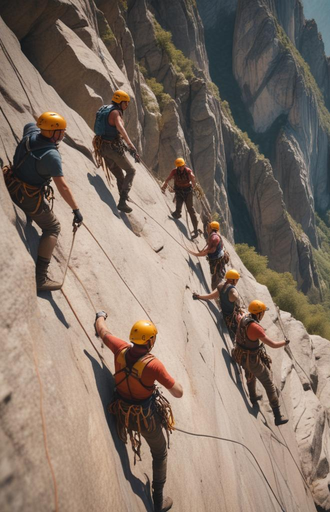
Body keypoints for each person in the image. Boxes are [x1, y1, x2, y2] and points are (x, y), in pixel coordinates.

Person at [94, 312, 183, 512]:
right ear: (150, 341)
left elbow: (103, 331)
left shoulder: (120, 349)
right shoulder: (153, 365)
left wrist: (100, 316)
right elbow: (178, 392)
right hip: (145, 419)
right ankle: (158, 501)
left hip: (121, 411)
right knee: (160, 454)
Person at [3, 112, 83, 292]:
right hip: (27, 196)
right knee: (53, 227)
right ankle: (40, 278)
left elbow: (29, 125)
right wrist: (75, 209)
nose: (63, 134)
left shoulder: (31, 134)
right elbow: (63, 187)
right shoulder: (51, 155)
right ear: (54, 133)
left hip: (11, 182)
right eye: (61, 131)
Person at [232, 300, 290, 425]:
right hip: (252, 359)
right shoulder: (256, 328)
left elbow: (240, 316)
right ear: (258, 314)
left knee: (249, 375)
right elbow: (273, 344)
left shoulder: (244, 318)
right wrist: (284, 343)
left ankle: (253, 397)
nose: (263, 315)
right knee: (268, 383)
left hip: (240, 355)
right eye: (262, 313)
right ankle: (277, 416)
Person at [93, 90, 140, 213]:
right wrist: (131, 146)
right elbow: (120, 128)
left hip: (102, 147)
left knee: (119, 175)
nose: (127, 105)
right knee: (131, 171)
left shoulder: (105, 109)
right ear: (120, 102)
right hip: (112, 149)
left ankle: (122, 198)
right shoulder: (116, 113)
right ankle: (123, 200)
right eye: (126, 103)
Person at [193, 269, 243, 340]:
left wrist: (199, 296)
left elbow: (210, 296)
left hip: (224, 314)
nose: (237, 282)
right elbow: (235, 296)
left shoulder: (221, 286)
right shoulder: (233, 291)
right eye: (236, 280)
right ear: (232, 280)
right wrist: (236, 295)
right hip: (233, 318)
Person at [161, 158, 199, 238]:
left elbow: (192, 177)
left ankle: (196, 231)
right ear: (178, 167)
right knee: (178, 207)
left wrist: (193, 183)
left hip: (188, 192)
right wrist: (165, 184)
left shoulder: (188, 171)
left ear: (184, 165)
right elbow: (169, 178)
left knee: (190, 210)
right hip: (179, 191)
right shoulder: (174, 171)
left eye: (182, 166)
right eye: (180, 166)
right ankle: (177, 213)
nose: (181, 167)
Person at [190, 221, 228, 290]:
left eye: (208, 227)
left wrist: (197, 253)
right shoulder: (217, 234)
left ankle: (218, 292)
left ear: (211, 228)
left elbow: (211, 250)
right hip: (220, 257)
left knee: (216, 278)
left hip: (216, 260)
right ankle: (219, 290)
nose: (207, 229)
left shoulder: (213, 238)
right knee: (219, 275)